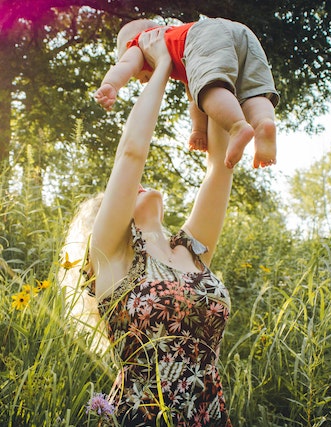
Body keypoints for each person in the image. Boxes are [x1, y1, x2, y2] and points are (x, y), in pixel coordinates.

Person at [66, 28, 234, 426]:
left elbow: (220, 169)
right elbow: (131, 152)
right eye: (125, 193)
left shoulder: (191, 250)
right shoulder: (114, 257)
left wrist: (203, 69)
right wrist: (160, 67)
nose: (137, 184)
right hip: (143, 418)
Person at [94, 17, 279, 170]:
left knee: (210, 90)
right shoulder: (185, 57)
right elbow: (195, 101)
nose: (141, 80)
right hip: (242, 33)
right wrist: (198, 131)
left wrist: (111, 84)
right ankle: (263, 124)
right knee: (253, 92)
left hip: (204, 34)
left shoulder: (142, 43)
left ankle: (238, 126)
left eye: (137, 76)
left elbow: (125, 65)